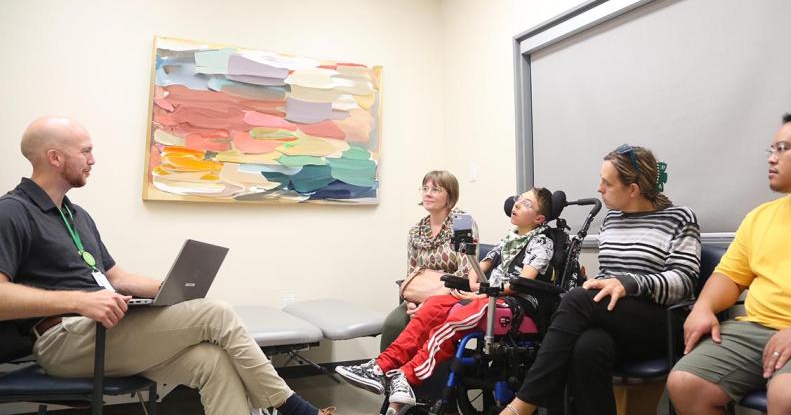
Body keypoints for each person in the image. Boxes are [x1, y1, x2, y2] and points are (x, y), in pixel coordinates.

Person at [0, 116, 334, 415]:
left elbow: (116, 277)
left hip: (105, 332)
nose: (93, 159)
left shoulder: (77, 216)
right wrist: (78, 301)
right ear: (54, 157)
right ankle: (293, 408)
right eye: (85, 151)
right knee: (215, 312)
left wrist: (169, 290)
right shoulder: (13, 212)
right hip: (62, 341)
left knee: (213, 362)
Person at [501, 145, 701, 415]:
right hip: (619, 319)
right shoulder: (612, 221)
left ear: (633, 189)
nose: (599, 189)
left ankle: (522, 406)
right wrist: (597, 282)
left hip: (663, 322)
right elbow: (610, 277)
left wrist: (629, 284)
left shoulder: (680, 218)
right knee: (587, 346)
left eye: (607, 183)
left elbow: (683, 281)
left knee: (577, 301)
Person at [667, 109, 791, 415]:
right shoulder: (761, 216)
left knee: (790, 397)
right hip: (757, 329)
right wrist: (703, 307)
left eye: (783, 149)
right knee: (685, 382)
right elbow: (730, 276)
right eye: (771, 149)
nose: (772, 158)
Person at [337, 187, 555, 414]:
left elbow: (521, 282)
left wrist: (482, 294)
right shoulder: (509, 239)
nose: (518, 204)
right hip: (487, 296)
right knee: (433, 305)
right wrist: (473, 282)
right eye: (519, 200)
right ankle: (380, 367)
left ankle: (406, 375)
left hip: (515, 303)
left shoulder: (542, 242)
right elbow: (480, 267)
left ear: (539, 219)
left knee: (458, 315)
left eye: (527, 204)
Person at [380, 170, 478, 351]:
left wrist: (428, 303)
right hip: (418, 296)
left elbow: (464, 271)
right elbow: (412, 273)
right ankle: (385, 373)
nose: (428, 193)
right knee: (393, 324)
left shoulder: (462, 223)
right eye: (425, 188)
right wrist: (411, 302)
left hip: (451, 295)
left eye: (436, 189)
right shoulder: (416, 230)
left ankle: (415, 375)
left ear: (450, 195)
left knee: (422, 328)